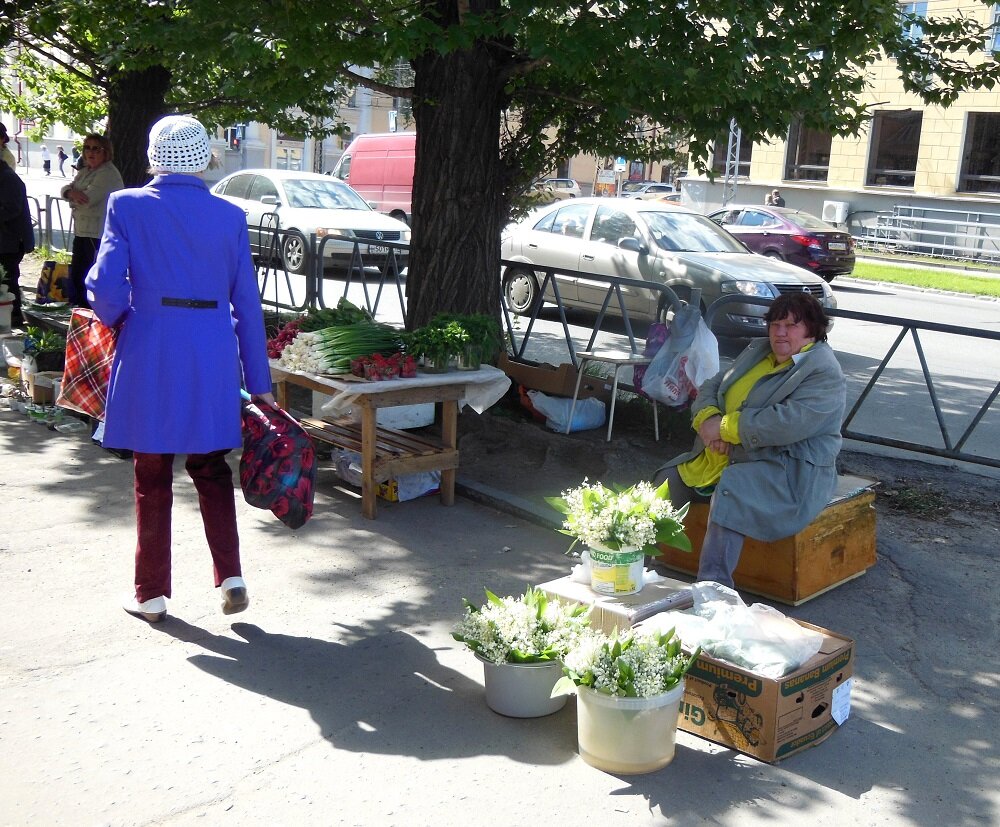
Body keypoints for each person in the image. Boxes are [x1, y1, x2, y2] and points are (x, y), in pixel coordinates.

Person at [86, 114, 274, 623]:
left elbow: (105, 288)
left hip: (150, 345)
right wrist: (260, 384)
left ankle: (151, 594)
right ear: (205, 158)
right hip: (212, 350)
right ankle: (231, 576)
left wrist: (127, 315)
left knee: (151, 474)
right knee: (211, 468)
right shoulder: (230, 216)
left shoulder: (126, 204)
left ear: (154, 156)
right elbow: (248, 306)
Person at [652, 292, 846, 588]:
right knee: (667, 480)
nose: (780, 332)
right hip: (725, 454)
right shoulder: (758, 350)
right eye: (775, 324)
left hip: (787, 468)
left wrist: (725, 428)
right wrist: (707, 421)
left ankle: (713, 589)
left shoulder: (823, 371)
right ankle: (629, 562)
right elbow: (713, 385)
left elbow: (786, 422)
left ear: (812, 330)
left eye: (792, 325)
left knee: (733, 490)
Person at [60, 134, 123, 308]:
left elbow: (87, 200)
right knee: (78, 274)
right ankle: (79, 311)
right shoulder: (86, 171)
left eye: (96, 148)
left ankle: (89, 313)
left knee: (89, 276)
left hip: (97, 233)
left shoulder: (107, 174)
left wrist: (72, 196)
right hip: (82, 230)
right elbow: (66, 188)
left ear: (106, 152)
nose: (90, 152)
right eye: (87, 147)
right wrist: (70, 193)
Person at [0, 156, 35, 327]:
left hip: (11, 240)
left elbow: (12, 209)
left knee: (8, 280)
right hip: (6, 240)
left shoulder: (8, 178)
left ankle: (14, 317)